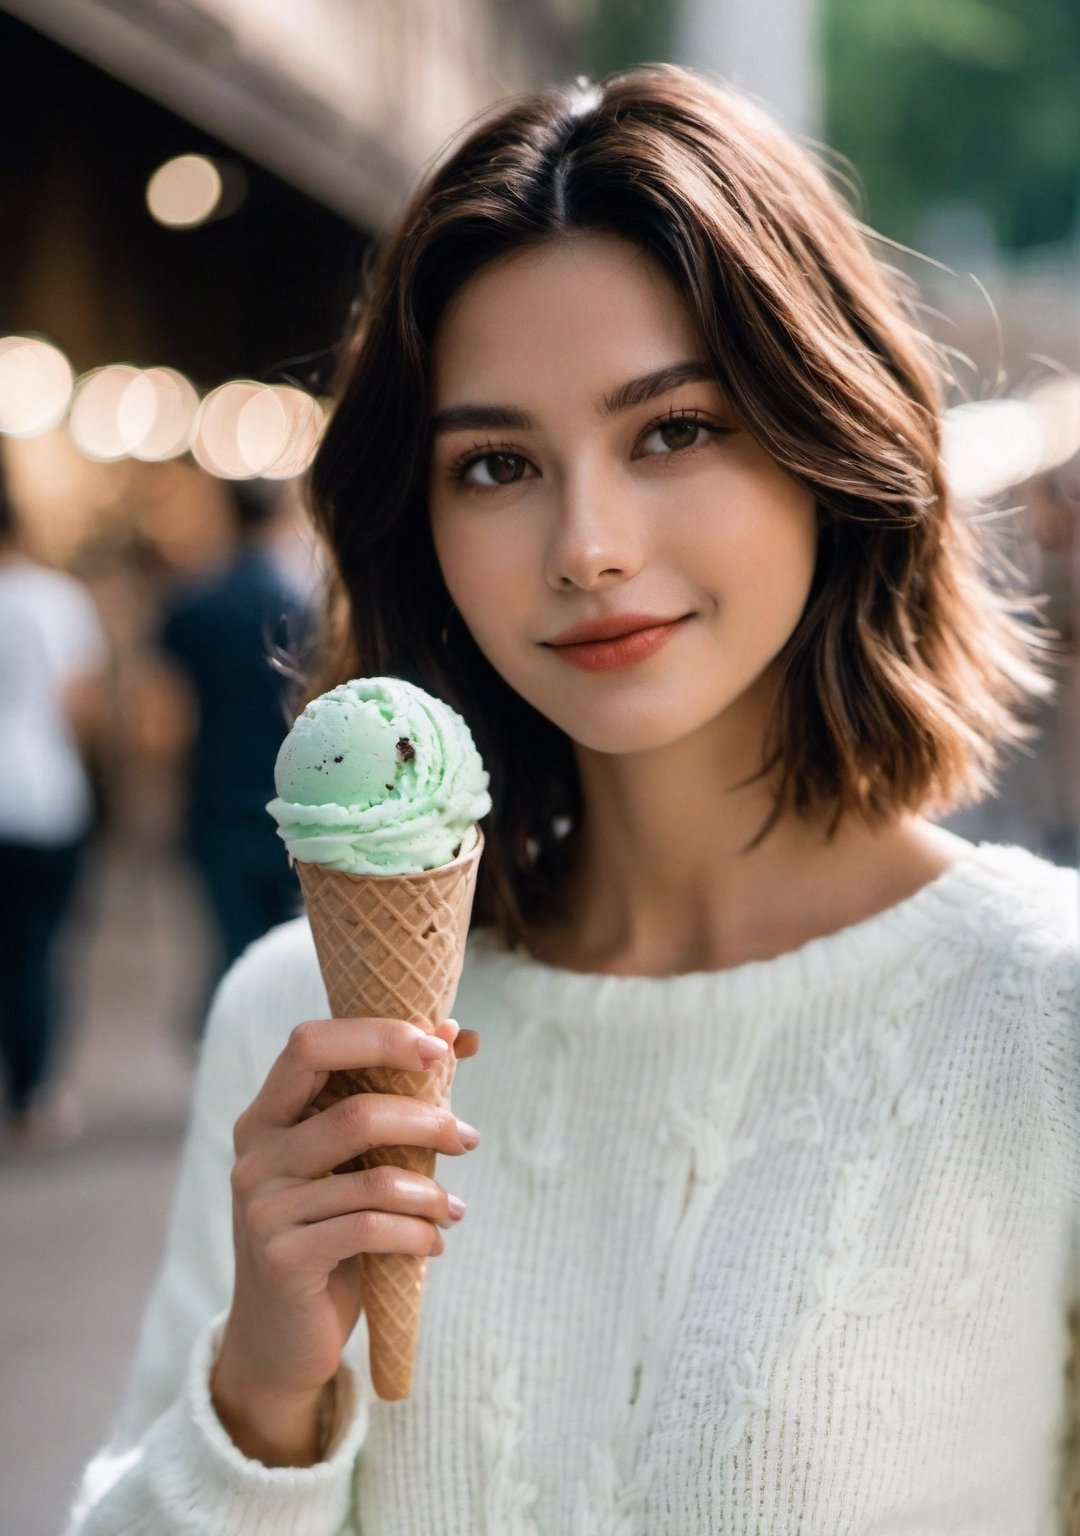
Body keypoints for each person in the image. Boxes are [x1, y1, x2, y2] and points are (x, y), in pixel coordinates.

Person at [67, 66, 1078, 1534]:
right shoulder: (298, 1027)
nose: (586, 544)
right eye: (495, 465)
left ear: (827, 441)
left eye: (673, 429)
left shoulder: (1047, 1020)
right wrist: (259, 1402)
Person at [154, 480, 313, 1014]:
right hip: (297, 801)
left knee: (232, 945)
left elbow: (163, 721)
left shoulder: (194, 605)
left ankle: (236, 1066)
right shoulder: (305, 607)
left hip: (216, 795)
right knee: (296, 948)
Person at [0, 455, 109, 1151]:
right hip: (44, 797)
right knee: (37, 949)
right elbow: (79, 705)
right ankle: (32, 1094)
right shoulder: (57, 598)